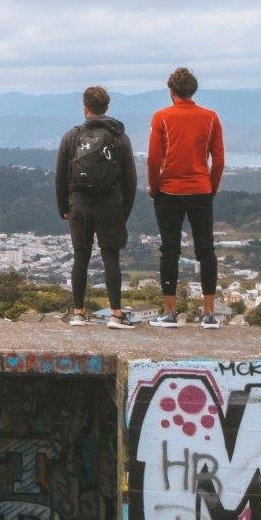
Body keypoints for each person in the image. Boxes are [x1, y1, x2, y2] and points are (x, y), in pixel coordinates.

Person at [147, 67, 224, 329]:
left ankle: (169, 312)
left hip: (168, 191)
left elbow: (154, 159)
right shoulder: (211, 117)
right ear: (193, 90)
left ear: (171, 91)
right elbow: (219, 160)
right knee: (206, 250)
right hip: (201, 190)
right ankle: (209, 313)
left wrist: (154, 187)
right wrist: (210, 188)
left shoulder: (161, 117)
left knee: (170, 250)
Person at [56, 85, 138, 329]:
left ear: (85, 108)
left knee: (80, 256)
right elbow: (130, 180)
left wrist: (64, 208)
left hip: (79, 205)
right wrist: (124, 211)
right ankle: (115, 314)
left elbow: (61, 177)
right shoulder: (120, 137)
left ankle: (79, 313)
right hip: (110, 205)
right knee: (110, 256)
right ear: (107, 108)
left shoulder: (71, 137)